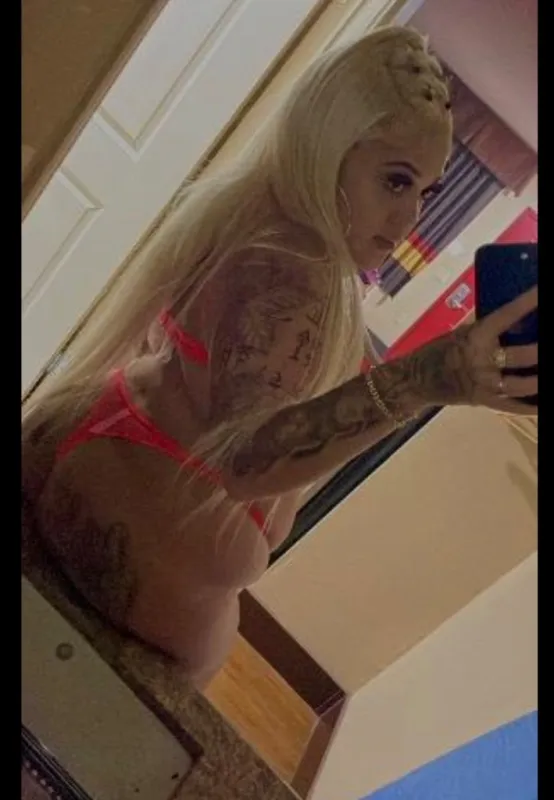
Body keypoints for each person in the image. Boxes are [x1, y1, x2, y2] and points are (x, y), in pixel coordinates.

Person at [22, 27, 538, 687]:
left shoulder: (253, 217)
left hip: (112, 436)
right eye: (395, 180)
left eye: (425, 192)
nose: (408, 215)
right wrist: (429, 376)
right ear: (329, 146)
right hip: (155, 521)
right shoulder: (298, 270)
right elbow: (246, 459)